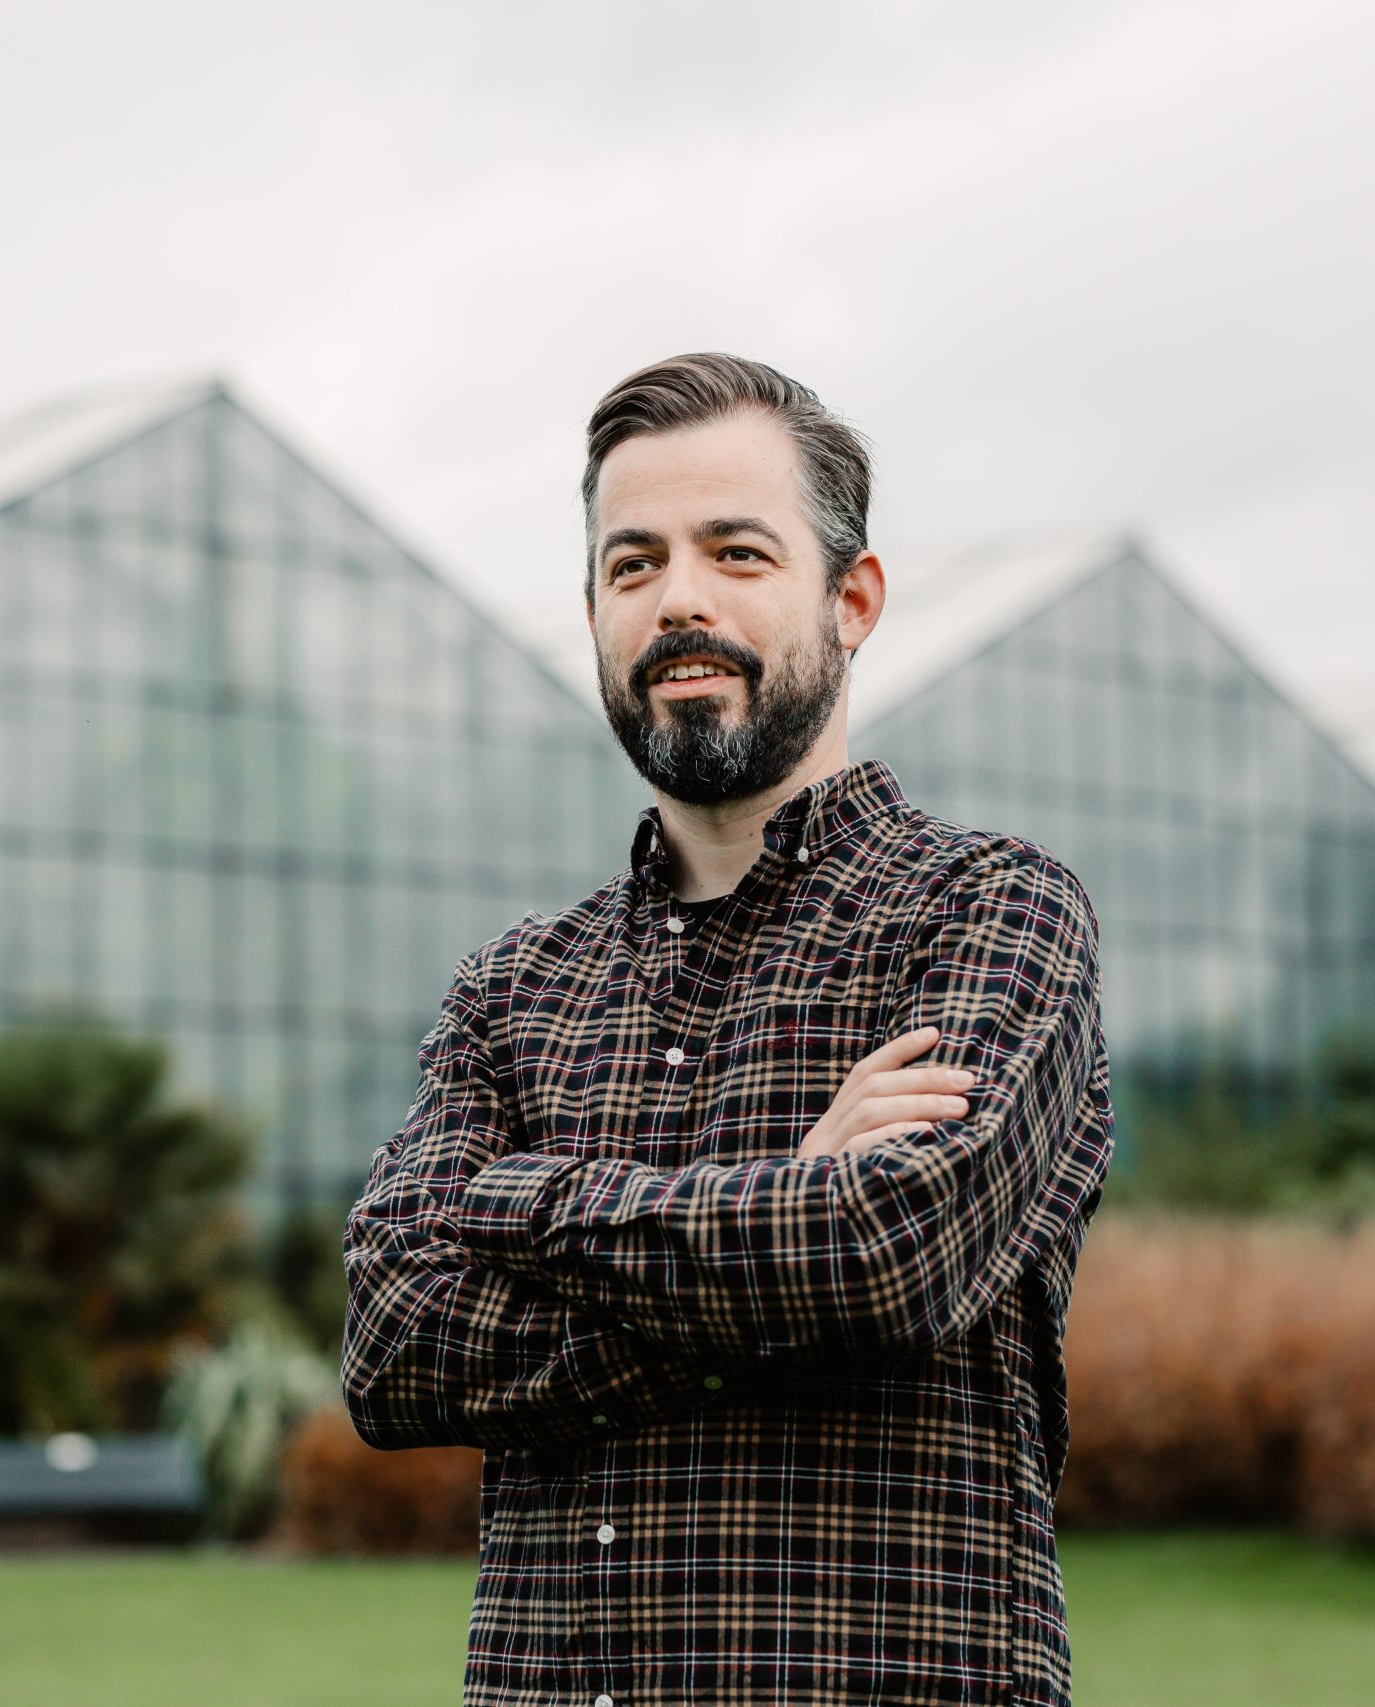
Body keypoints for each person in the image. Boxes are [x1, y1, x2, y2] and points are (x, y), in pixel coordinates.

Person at [339, 351, 1114, 1707]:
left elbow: (884, 1256)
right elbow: (395, 1343)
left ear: (852, 597)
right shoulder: (515, 987)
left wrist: (513, 1207)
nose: (679, 598)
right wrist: (782, 1205)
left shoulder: (990, 912)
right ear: (592, 613)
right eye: (631, 565)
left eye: (737, 552)